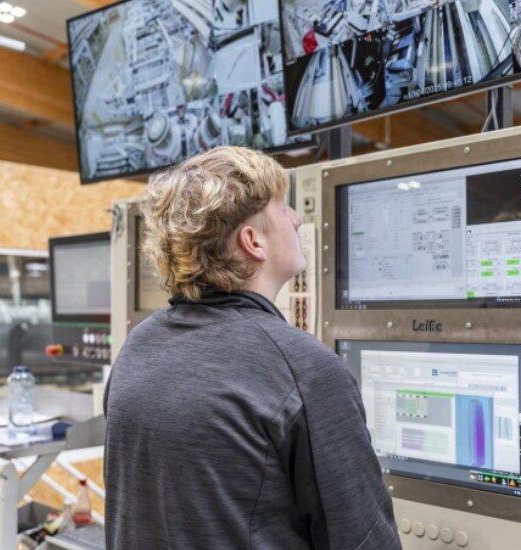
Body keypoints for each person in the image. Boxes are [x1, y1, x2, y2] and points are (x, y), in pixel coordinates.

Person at [104, 147, 401, 549]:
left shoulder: (139, 346)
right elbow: (364, 541)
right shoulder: (303, 369)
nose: (297, 219)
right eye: (283, 207)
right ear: (253, 241)